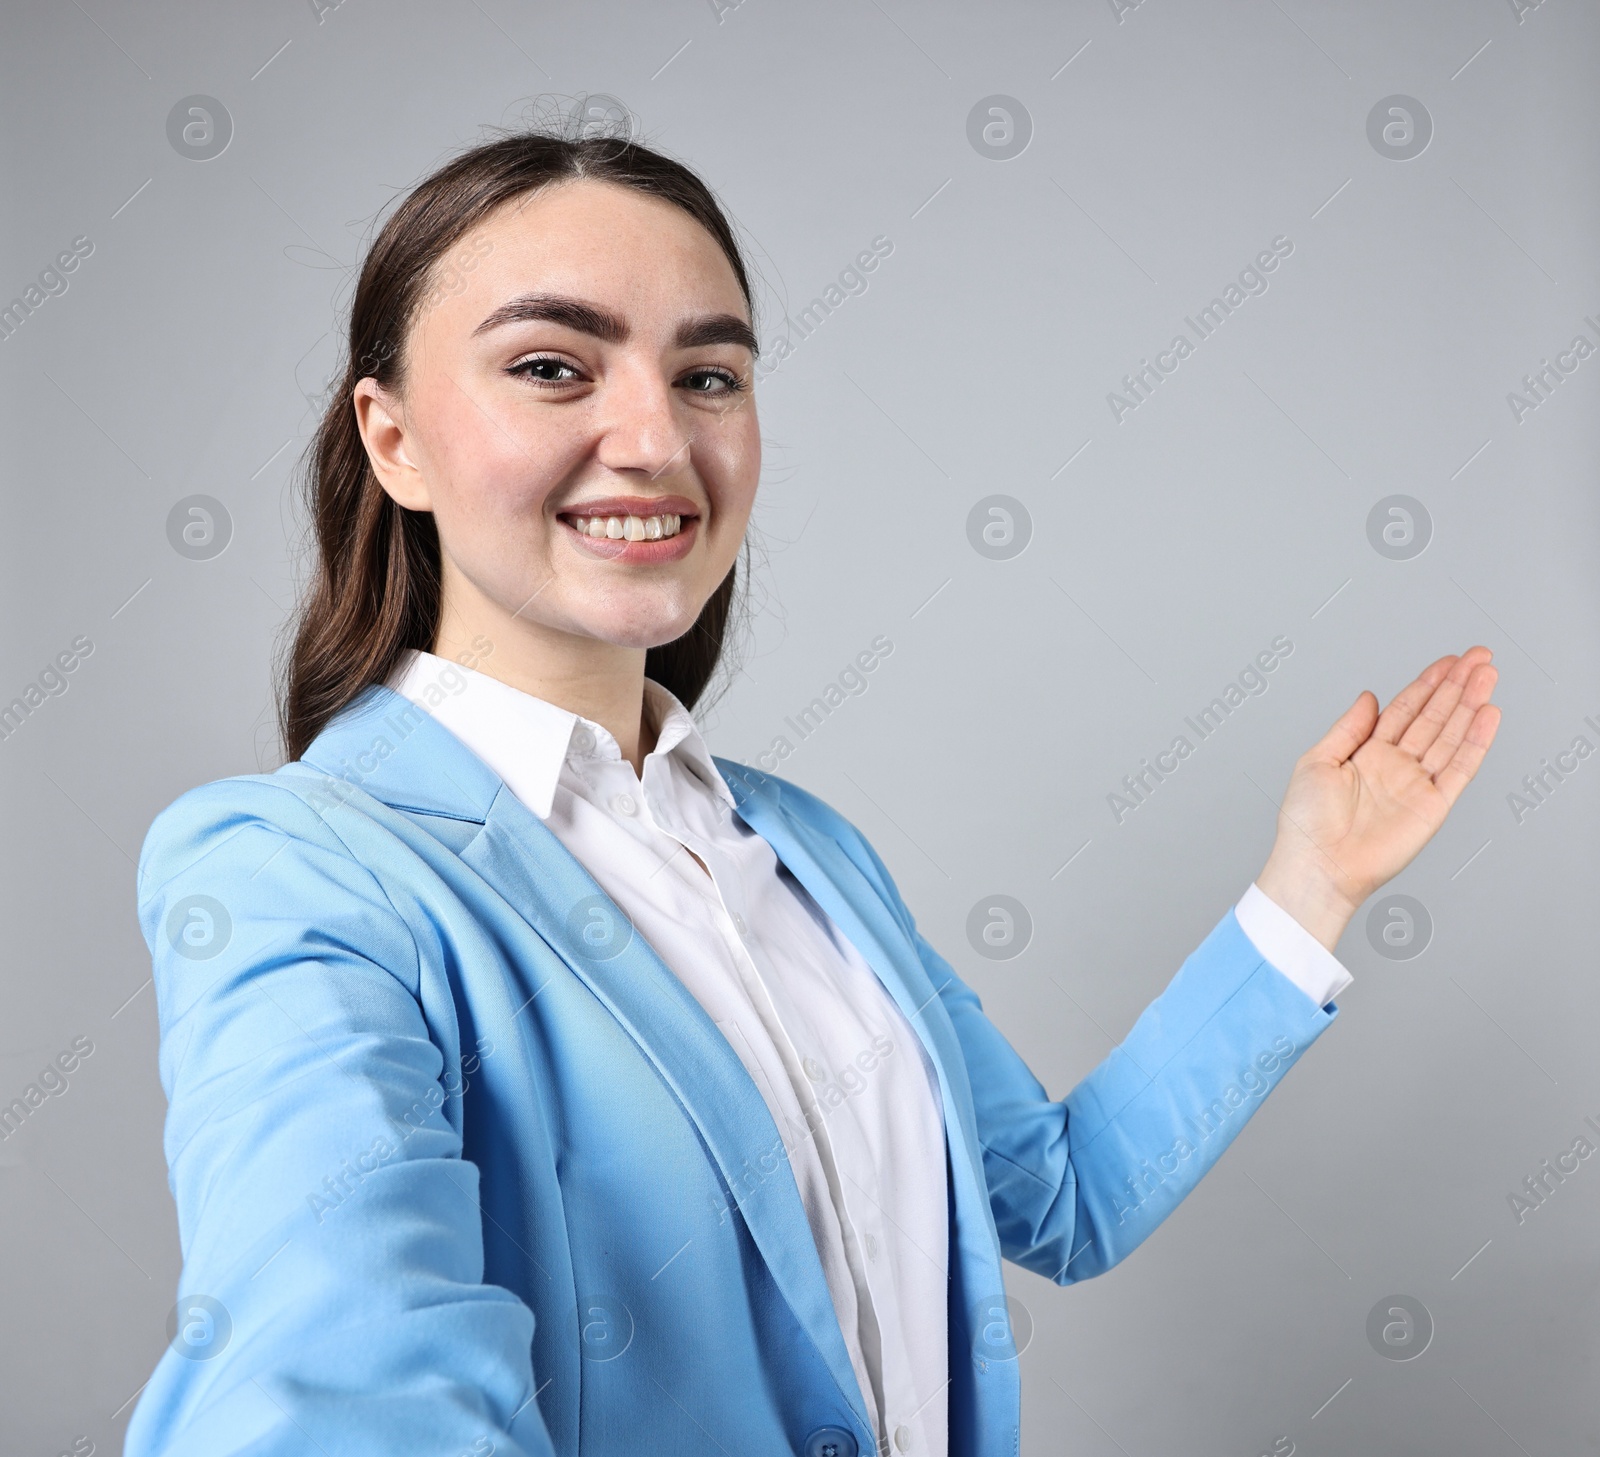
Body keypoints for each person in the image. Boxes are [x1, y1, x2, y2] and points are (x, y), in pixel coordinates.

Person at [127, 125, 1501, 1457]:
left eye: (709, 375)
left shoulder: (798, 848)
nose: (655, 438)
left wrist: (1311, 884)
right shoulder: (294, 868)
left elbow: (1062, 1196)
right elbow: (343, 1387)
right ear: (393, 439)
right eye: (553, 366)